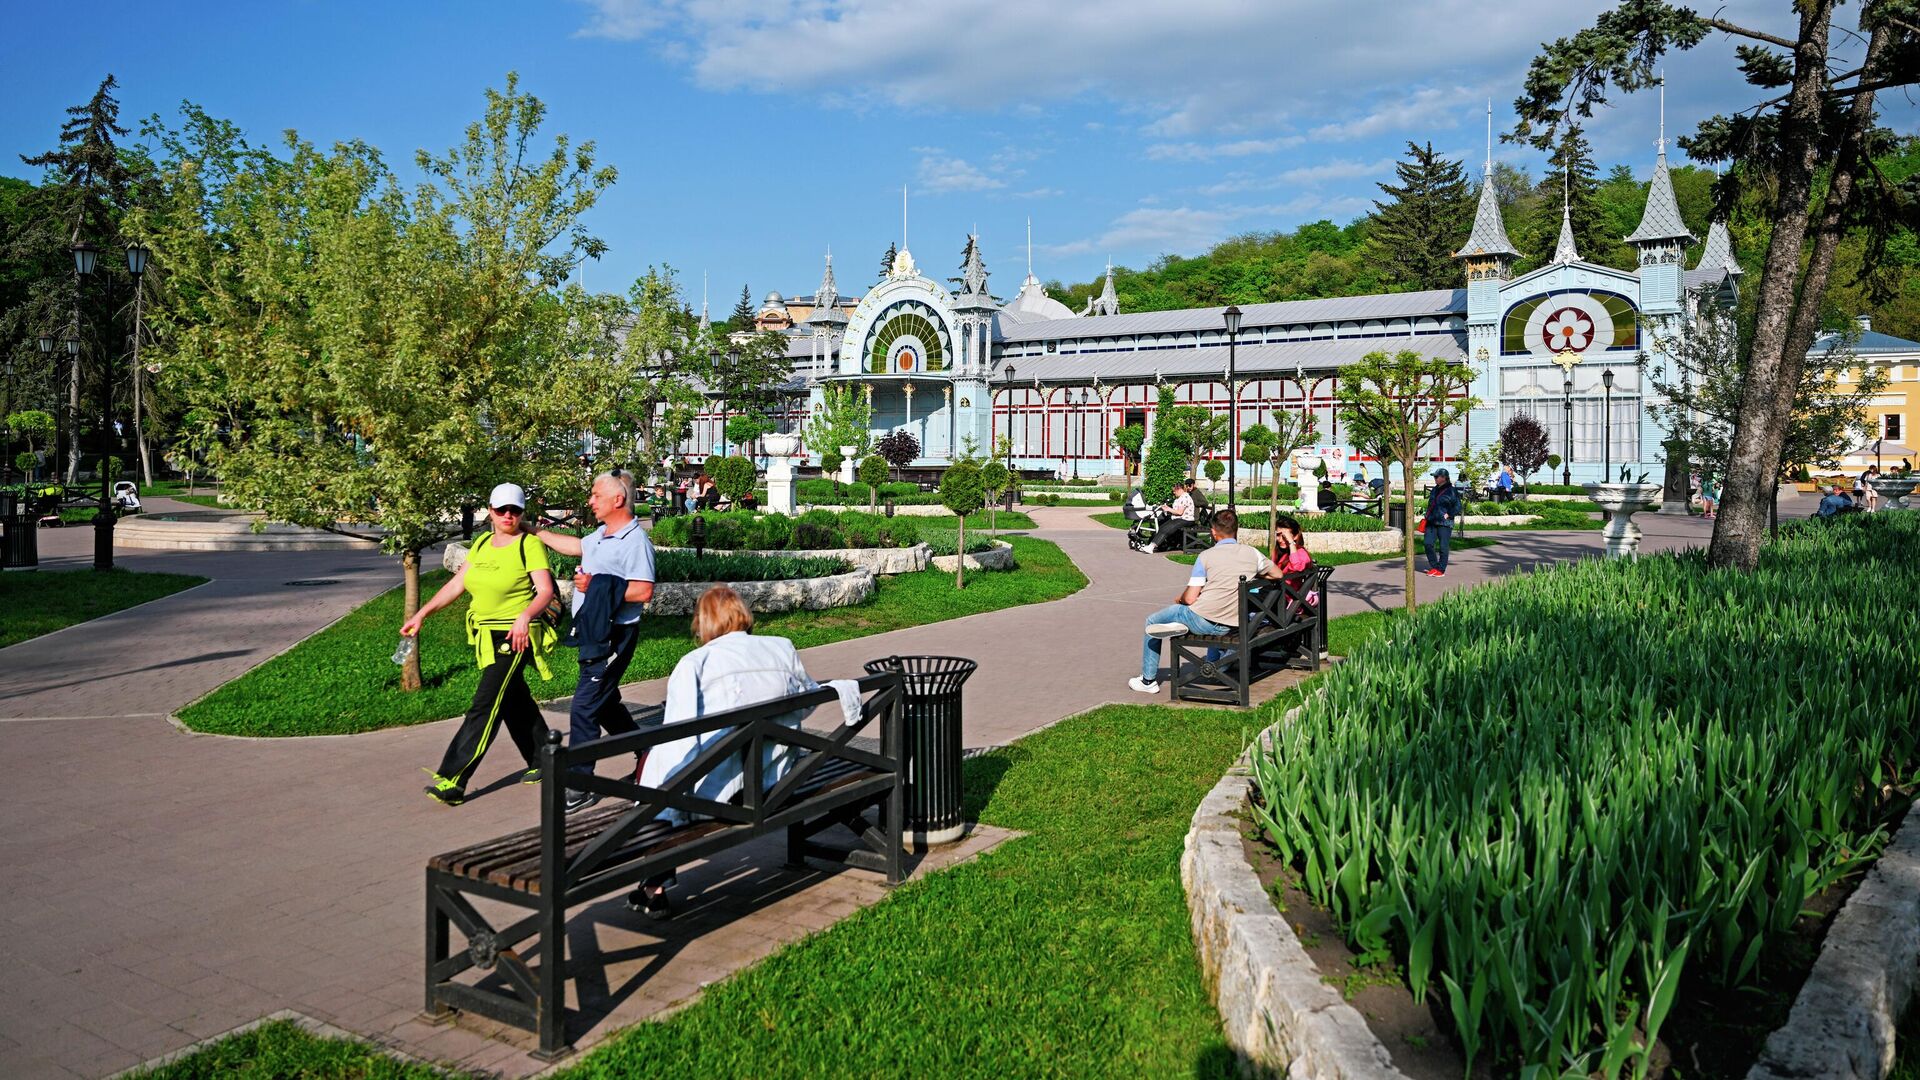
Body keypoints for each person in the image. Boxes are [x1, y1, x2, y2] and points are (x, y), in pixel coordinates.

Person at [626, 586, 823, 918]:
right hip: (777, 778)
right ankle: (653, 883)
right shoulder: (781, 648)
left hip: (724, 790)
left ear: (704, 622)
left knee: (660, 776)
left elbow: (680, 740)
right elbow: (807, 704)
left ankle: (654, 883)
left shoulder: (696, 663)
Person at [402, 483, 557, 807]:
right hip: (486, 635)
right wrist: (423, 613)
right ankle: (547, 760)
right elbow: (458, 583)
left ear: (522, 512)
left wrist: (525, 616)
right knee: (513, 699)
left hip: (515, 636)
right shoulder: (484, 542)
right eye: (502, 509)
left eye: (515, 510)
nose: (508, 515)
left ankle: (454, 780)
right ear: (490, 510)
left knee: (484, 705)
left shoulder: (529, 545)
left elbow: (544, 591)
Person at [532, 469, 658, 813]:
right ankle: (648, 751)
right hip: (595, 632)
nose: (590, 501)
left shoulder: (635, 541)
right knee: (604, 705)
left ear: (617, 500)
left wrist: (596, 586)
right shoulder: (602, 535)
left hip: (615, 636)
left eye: (595, 495)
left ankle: (580, 783)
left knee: (585, 706)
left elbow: (644, 590)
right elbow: (575, 546)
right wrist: (535, 531)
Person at [1130, 510, 1282, 693]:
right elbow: (1278, 574)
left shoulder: (1206, 556)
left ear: (1213, 532)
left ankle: (1148, 681)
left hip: (1203, 620)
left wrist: (1180, 599)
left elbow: (1190, 598)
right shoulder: (1252, 554)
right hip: (1231, 623)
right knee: (1204, 608)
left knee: (1152, 622)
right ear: (1236, 530)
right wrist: (1254, 572)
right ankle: (1188, 631)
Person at [1423, 467, 1462, 577]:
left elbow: (1458, 506)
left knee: (1443, 547)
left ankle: (1441, 569)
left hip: (1444, 523)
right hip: (1431, 521)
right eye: (1434, 477)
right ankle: (1435, 566)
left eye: (1436, 477)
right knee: (1428, 543)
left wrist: (1449, 514)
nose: (1435, 479)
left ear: (1444, 478)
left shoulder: (1452, 491)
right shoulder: (1435, 489)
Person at [1150, 481, 1196, 552]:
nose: (1173, 493)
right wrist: (1167, 509)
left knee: (1166, 528)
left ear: (1179, 489)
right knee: (1162, 525)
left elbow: (1180, 512)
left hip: (1186, 520)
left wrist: (1168, 509)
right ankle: (1159, 544)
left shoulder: (1185, 498)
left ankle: (1152, 546)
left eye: (1174, 491)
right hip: (1180, 519)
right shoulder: (1180, 497)